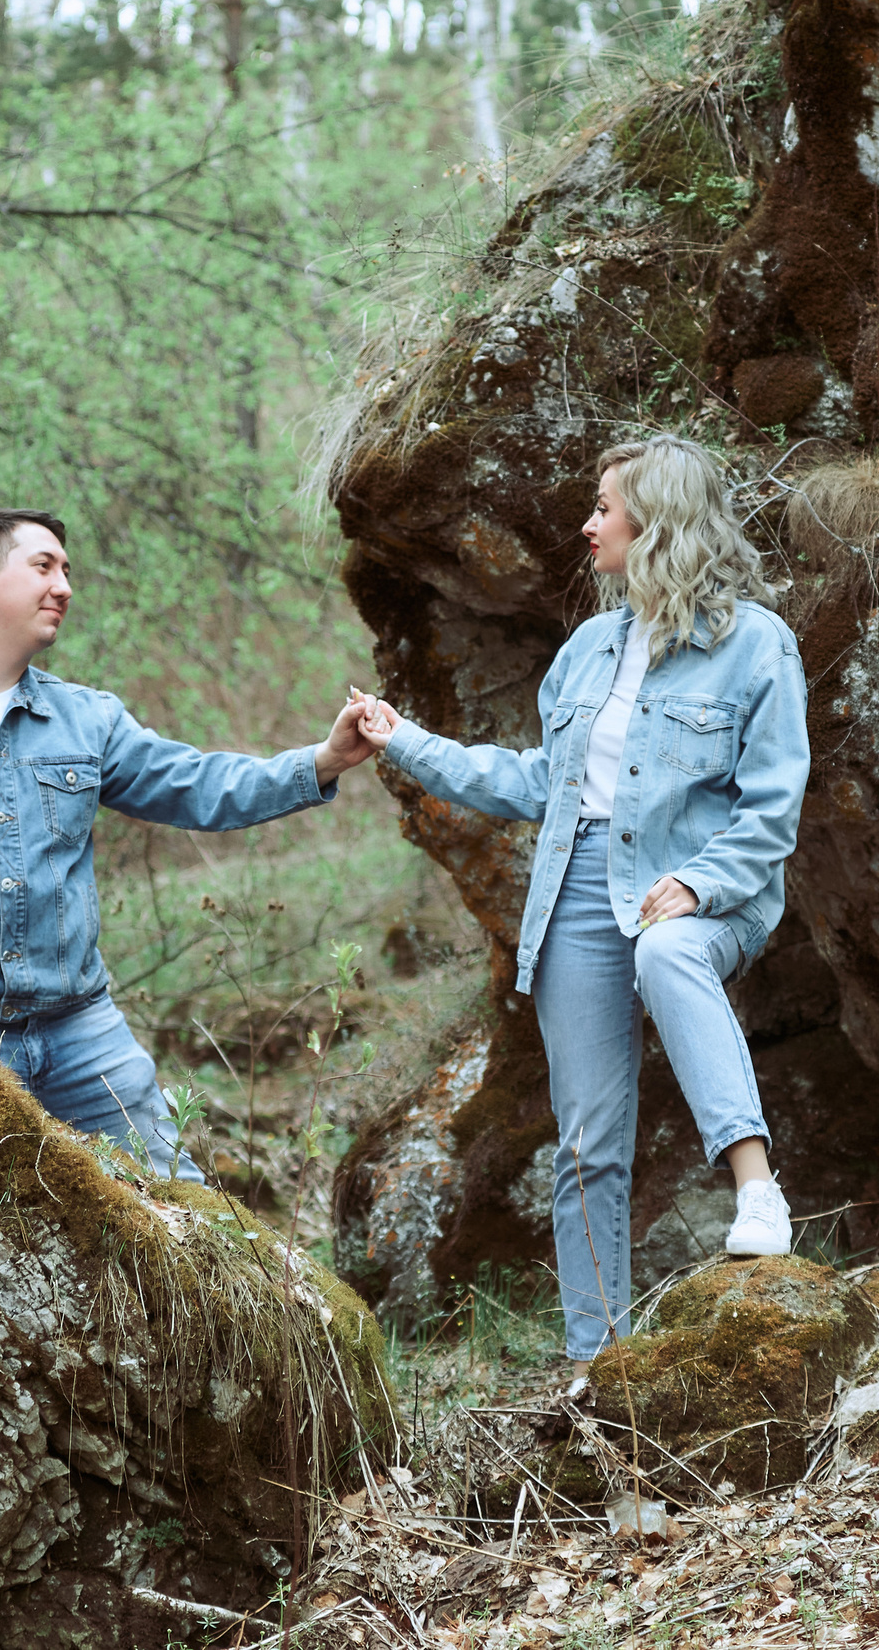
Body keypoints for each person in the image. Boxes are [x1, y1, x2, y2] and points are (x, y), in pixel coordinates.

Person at [351, 436, 810, 1378]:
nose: (588, 524)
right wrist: (407, 740)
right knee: (588, 1140)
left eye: (605, 507)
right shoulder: (590, 649)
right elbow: (535, 781)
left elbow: (774, 807)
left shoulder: (756, 643)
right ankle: (597, 1367)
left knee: (670, 952)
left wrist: (702, 883)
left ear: (658, 522)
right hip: (578, 887)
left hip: (701, 885)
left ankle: (758, 1191)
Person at [0, 507, 381, 1178]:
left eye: (67, 570)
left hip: (83, 1034)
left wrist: (323, 761)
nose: (65, 586)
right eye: (44, 566)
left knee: (182, 1206)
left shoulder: (87, 720)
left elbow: (198, 785)